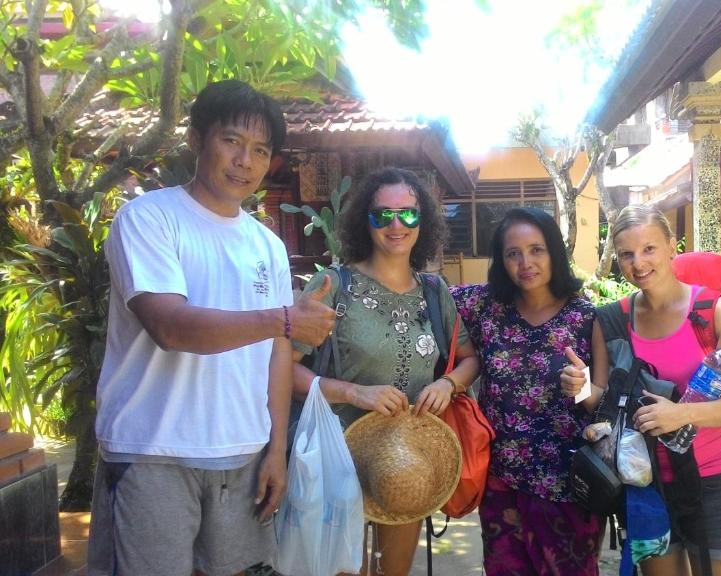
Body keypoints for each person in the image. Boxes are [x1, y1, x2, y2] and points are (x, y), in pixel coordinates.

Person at [88, 79, 337, 576]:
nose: (246, 160)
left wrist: (276, 451)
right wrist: (286, 318)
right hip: (153, 451)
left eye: (261, 150)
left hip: (243, 455)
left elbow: (276, 354)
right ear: (197, 140)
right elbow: (170, 327)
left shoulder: (265, 244)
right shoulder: (149, 218)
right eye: (232, 141)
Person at [291, 167, 480, 576]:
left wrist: (449, 383)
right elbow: (284, 371)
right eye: (383, 215)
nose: (397, 225)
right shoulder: (333, 286)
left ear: (423, 220)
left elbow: (469, 358)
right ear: (365, 219)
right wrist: (353, 393)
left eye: (408, 214)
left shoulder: (434, 291)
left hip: (406, 461)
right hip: (339, 457)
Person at [562, 205, 721, 576]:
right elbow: (601, 403)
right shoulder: (612, 320)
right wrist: (579, 387)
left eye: (649, 249)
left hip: (716, 482)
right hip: (645, 485)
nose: (638, 263)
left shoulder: (715, 312)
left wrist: (681, 413)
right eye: (626, 254)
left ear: (672, 246)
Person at [451, 207, 609, 576]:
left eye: (537, 249)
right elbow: (422, 297)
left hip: (568, 484)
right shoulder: (483, 307)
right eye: (513, 253)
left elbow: (600, 404)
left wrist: (582, 386)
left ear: (554, 251)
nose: (526, 262)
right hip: (502, 480)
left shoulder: (586, 317)